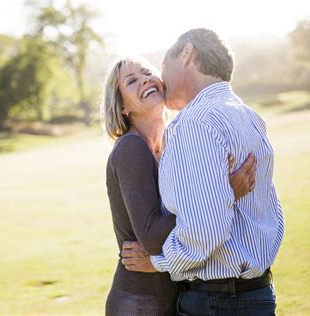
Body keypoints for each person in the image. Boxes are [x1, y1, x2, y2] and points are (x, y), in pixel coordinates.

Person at [122, 29, 285, 316]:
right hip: (259, 294)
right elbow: (271, 212)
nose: (160, 80)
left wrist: (158, 262)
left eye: (161, 68)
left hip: (218, 302)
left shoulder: (196, 123)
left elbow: (203, 231)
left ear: (187, 53)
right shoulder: (250, 117)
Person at [101, 57, 257, 315]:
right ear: (122, 107)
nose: (145, 80)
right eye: (131, 81)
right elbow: (151, 237)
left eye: (147, 73)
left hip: (173, 293)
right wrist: (221, 193)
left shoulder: (170, 144)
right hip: (141, 302)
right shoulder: (132, 148)